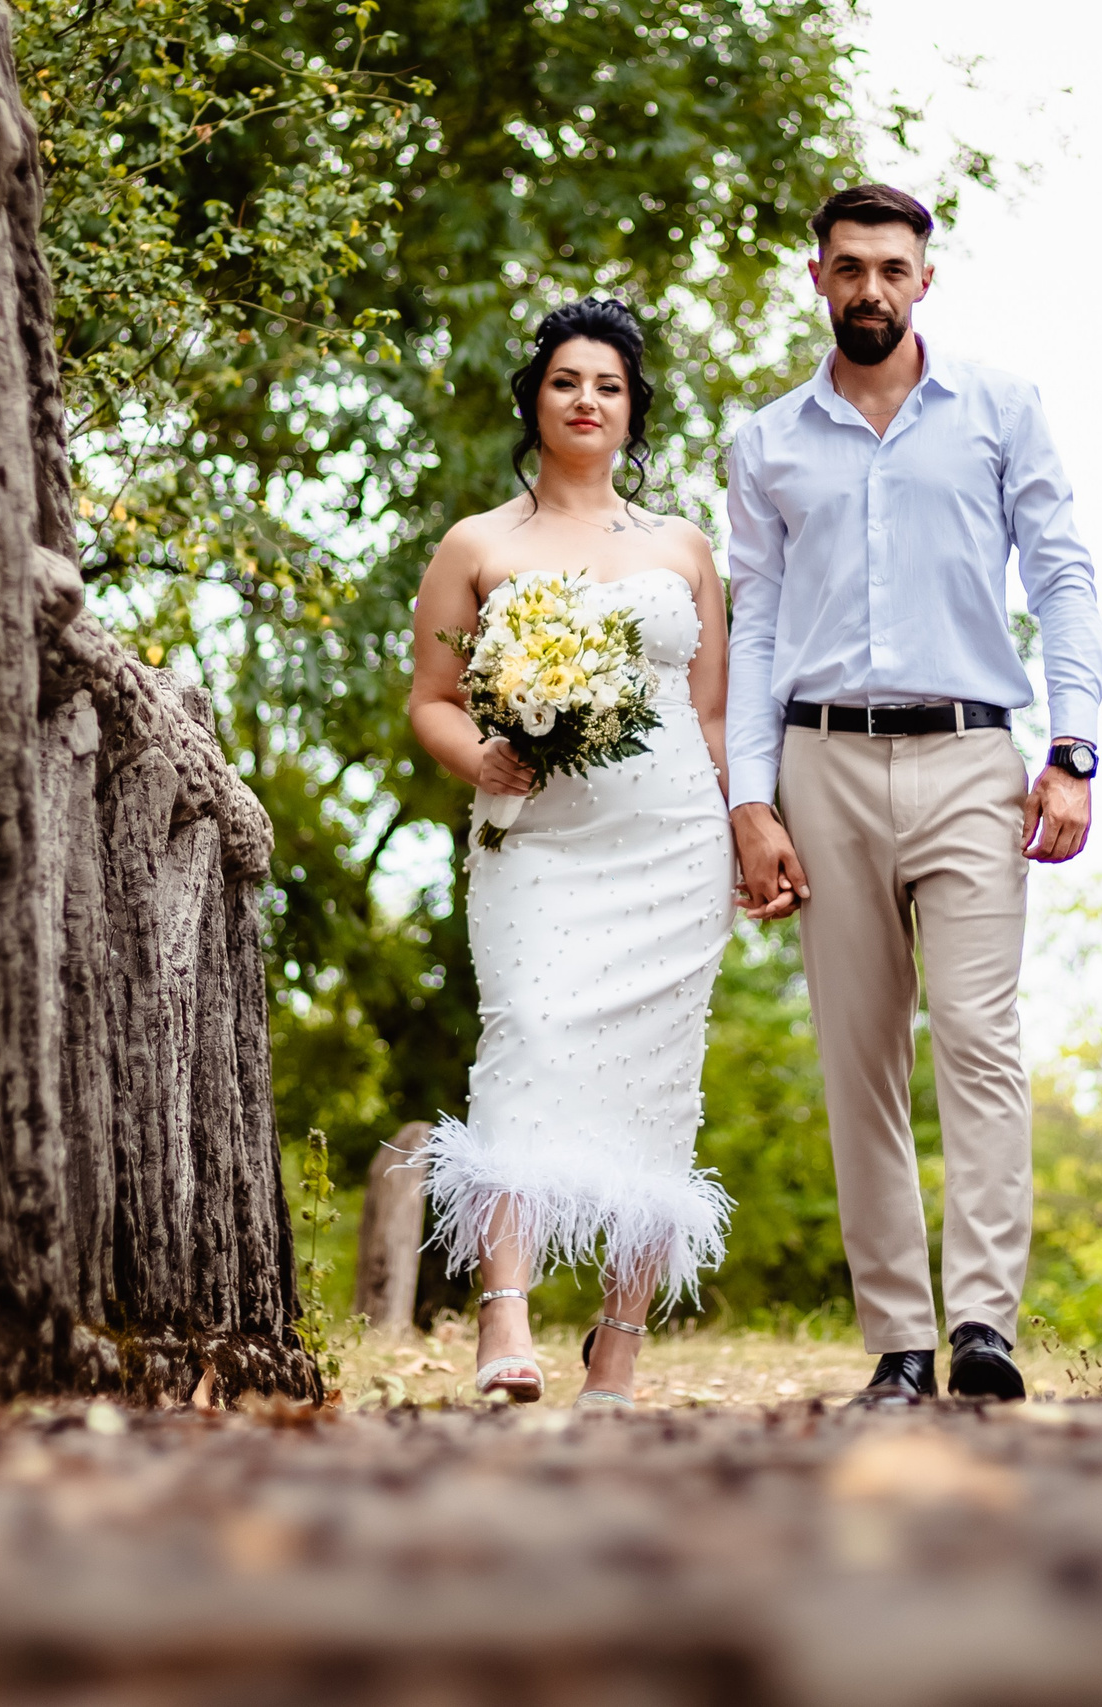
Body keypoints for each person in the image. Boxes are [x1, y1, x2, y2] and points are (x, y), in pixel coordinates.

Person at [724, 184, 1102, 1404]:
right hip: (819, 763)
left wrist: (1075, 746)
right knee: (858, 1058)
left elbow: (1061, 572)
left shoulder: (999, 410)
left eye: (892, 269)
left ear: (924, 280)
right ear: (818, 278)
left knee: (983, 1044)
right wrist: (751, 800)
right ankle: (899, 1341)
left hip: (970, 760)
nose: (871, 289)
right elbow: (758, 624)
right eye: (849, 268)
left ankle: (984, 1325)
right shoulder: (768, 441)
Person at [407, 298, 736, 1410]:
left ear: (634, 407)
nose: (585, 400)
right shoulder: (479, 545)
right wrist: (482, 759)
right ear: (533, 402)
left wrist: (747, 831)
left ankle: (620, 1341)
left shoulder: (683, 548)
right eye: (564, 383)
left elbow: (712, 715)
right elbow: (430, 702)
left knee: (657, 1085)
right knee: (526, 1043)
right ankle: (503, 1314)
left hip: (670, 842)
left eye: (606, 384)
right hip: (537, 840)